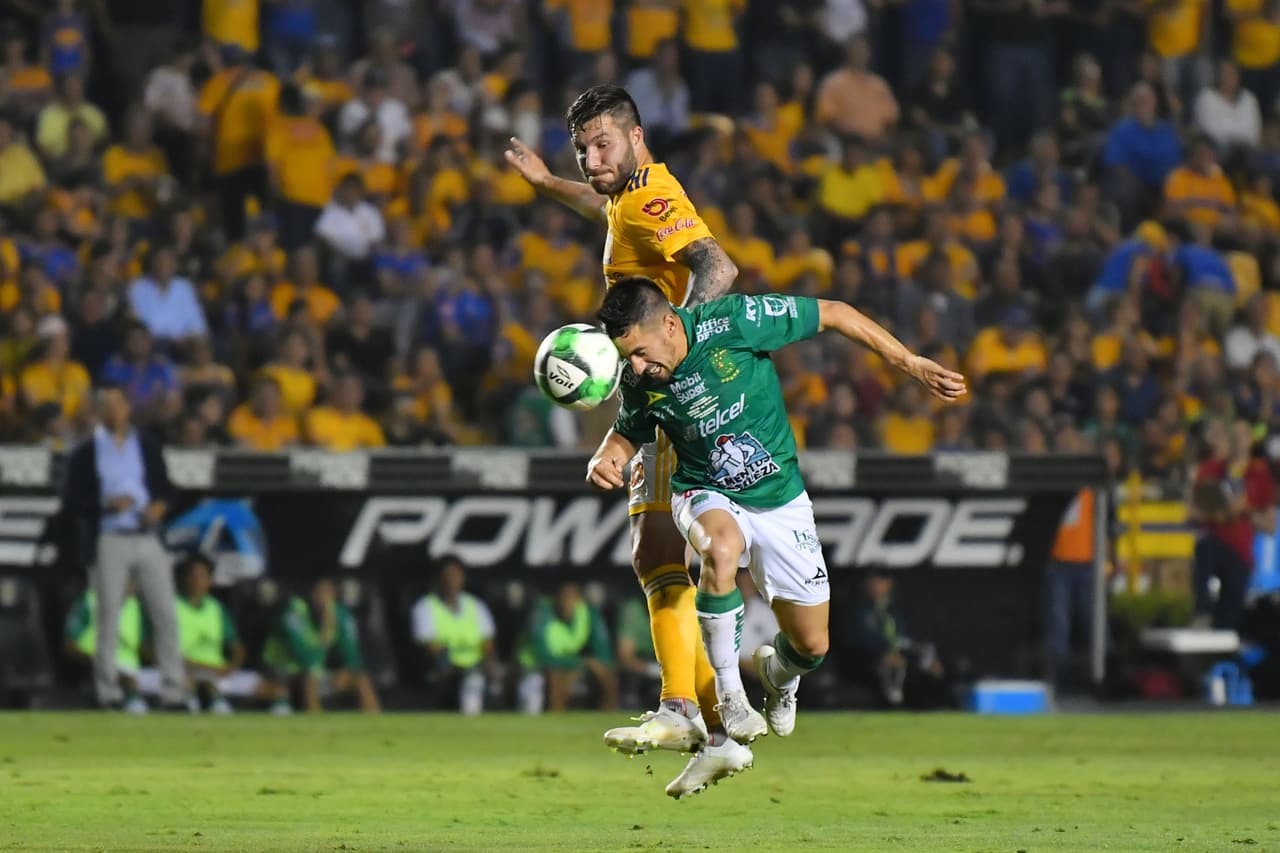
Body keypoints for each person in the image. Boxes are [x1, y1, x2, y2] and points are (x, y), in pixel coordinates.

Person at [588, 278, 964, 793]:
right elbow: (629, 430)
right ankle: (729, 699)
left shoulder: (735, 323)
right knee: (719, 550)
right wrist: (608, 455)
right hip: (701, 491)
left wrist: (911, 363)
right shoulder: (638, 379)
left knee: (812, 645)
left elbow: (833, 311)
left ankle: (780, 679)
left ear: (671, 324)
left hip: (780, 500)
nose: (634, 367)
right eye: (626, 357)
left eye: (640, 353)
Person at [503, 84, 744, 793]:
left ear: (636, 138)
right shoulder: (631, 196)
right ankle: (721, 724)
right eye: (581, 149)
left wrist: (680, 341)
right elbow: (610, 212)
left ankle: (685, 707)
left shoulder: (650, 198)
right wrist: (550, 186)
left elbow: (719, 268)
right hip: (663, 389)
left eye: (602, 143)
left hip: (668, 390)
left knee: (656, 554)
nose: (589, 158)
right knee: (654, 552)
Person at [61, 383, 188, 711]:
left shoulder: (146, 445)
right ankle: (108, 692)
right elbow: (73, 501)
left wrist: (160, 506)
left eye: (118, 403)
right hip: (110, 537)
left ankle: (173, 691)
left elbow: (167, 488)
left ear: (128, 408)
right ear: (99, 411)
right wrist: (106, 505)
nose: (114, 410)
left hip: (147, 535)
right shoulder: (86, 452)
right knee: (108, 616)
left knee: (165, 614)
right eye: (106, 405)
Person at [261, 576, 381, 714]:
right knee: (309, 678)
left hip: (316, 673)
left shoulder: (339, 613)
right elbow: (305, 657)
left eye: (328, 593)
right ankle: (315, 720)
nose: (323, 598)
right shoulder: (294, 611)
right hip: (283, 673)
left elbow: (352, 656)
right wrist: (326, 630)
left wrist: (347, 671)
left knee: (360, 679)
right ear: (311, 593)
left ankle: (376, 723)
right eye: (320, 592)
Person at [411, 558, 500, 714]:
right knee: (468, 681)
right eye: (448, 575)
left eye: (456, 575)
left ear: (463, 578)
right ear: (439, 578)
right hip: (446, 672)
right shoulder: (425, 607)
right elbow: (432, 649)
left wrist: (489, 667)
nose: (452, 581)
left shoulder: (476, 606)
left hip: (476, 669)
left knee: (480, 679)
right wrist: (458, 669)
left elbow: (488, 646)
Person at [516, 582, 618, 713]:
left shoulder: (587, 614)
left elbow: (603, 651)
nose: (566, 604)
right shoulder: (541, 614)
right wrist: (580, 663)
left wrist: (593, 665)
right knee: (555, 677)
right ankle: (556, 716)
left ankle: (607, 718)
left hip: (571, 662)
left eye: (572, 599)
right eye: (563, 598)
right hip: (534, 667)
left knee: (608, 675)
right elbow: (543, 656)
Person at [175, 553, 245, 714]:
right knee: (193, 683)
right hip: (184, 669)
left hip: (216, 671)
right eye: (193, 575)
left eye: (203, 576)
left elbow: (236, 647)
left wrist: (231, 666)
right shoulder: (172, 607)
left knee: (275, 689)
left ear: (210, 580)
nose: (198, 581)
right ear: (184, 578)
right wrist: (202, 667)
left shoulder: (216, 609)